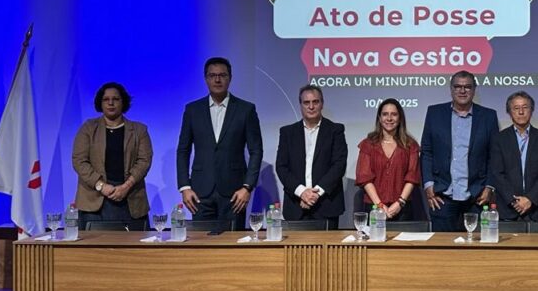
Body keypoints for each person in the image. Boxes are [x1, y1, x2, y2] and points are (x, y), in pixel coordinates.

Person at [176, 57, 263, 231]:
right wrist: (184, 187)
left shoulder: (246, 109)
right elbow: (183, 150)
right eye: (212, 75)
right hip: (200, 192)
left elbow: (256, 150)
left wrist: (247, 187)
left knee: (232, 246)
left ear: (230, 78)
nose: (217, 79)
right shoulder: (192, 110)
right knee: (200, 248)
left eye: (222, 75)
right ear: (206, 78)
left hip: (235, 193)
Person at [420, 70, 499, 232]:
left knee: (476, 253)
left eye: (467, 87)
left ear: (474, 90)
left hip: (477, 198)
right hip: (442, 196)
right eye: (458, 87)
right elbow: (427, 151)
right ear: (451, 89)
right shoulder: (434, 113)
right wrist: (428, 185)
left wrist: (489, 186)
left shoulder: (488, 116)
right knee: (443, 252)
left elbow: (494, 156)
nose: (462, 91)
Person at [71, 82, 152, 230]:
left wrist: (126, 186)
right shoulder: (88, 128)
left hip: (130, 199)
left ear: (123, 102)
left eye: (115, 99)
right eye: (106, 99)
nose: (110, 103)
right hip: (94, 201)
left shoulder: (139, 130)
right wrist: (101, 186)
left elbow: (144, 161)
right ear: (100, 103)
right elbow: (79, 161)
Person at [275, 85, 348, 229]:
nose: (311, 106)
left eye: (315, 102)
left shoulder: (336, 130)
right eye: (306, 103)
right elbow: (282, 167)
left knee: (328, 252)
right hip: (296, 206)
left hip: (326, 205)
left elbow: (339, 165)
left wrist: (314, 194)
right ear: (300, 105)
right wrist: (302, 192)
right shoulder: (287, 132)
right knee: (294, 252)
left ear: (322, 103)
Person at [488, 91, 538, 225]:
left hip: (536, 209)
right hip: (507, 210)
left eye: (525, 107)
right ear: (509, 112)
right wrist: (514, 201)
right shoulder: (499, 139)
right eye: (516, 108)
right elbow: (497, 173)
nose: (521, 112)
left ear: (532, 110)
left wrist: (530, 199)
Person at [355, 98, 420, 221]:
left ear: (400, 118)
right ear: (379, 118)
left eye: (394, 114)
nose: (389, 118)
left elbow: (412, 177)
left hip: (402, 208)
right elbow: (364, 177)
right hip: (374, 207)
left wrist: (400, 203)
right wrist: (379, 205)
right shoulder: (368, 144)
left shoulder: (410, 145)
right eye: (385, 114)